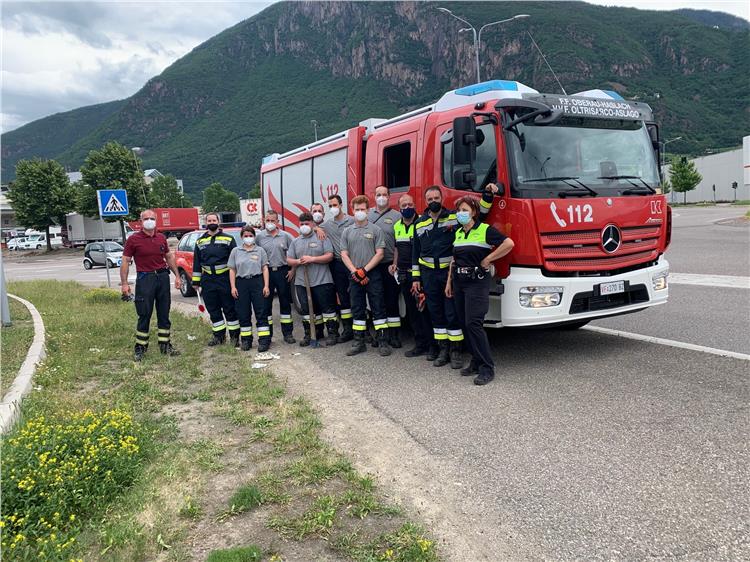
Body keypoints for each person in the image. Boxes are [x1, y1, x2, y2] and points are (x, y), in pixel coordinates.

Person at [412, 183, 498, 370]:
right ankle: (443, 349)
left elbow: (479, 214)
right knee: (435, 313)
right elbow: (415, 252)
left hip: (449, 273)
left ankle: (456, 351)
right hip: (428, 274)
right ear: (425, 201)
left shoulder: (454, 217)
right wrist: (416, 278)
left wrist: (488, 196)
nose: (433, 202)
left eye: (436, 198)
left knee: (452, 313)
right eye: (430, 199)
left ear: (441, 199)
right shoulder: (419, 223)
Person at [446, 196, 514, 385]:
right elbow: (454, 260)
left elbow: (508, 244)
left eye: (465, 210)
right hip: (459, 282)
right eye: (459, 210)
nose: (461, 214)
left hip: (477, 283)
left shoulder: (484, 230)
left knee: (474, 323)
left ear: (474, 212)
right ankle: (475, 361)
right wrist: (449, 283)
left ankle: (487, 367)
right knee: (464, 323)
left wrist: (488, 259)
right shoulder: (458, 233)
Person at [120, 209, 181, 360]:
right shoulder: (133, 240)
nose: (149, 221)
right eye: (146, 218)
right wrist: (124, 283)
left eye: (152, 218)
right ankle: (140, 348)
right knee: (144, 314)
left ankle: (165, 345)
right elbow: (125, 261)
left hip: (162, 278)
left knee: (164, 313)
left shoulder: (161, 238)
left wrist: (178, 276)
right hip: (145, 279)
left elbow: (168, 257)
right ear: (140, 222)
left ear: (156, 221)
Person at [340, 195, 390, 356]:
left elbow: (380, 253)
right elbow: (344, 254)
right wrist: (355, 271)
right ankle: (359, 341)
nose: (360, 212)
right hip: (354, 274)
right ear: (352, 211)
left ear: (368, 210)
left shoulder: (376, 230)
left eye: (362, 209)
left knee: (378, 306)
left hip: (372, 273)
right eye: (357, 209)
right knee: (357, 308)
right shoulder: (347, 232)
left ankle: (383, 341)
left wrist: (365, 271)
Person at [287, 212, 338, 346]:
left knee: (327, 309)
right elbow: (289, 260)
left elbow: (329, 256)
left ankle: (332, 333)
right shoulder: (295, 242)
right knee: (307, 311)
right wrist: (298, 261)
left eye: (307, 224)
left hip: (322, 280)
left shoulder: (321, 237)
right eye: (302, 224)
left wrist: (313, 259)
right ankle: (312, 333)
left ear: (313, 224)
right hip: (302, 282)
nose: (304, 226)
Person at [392, 193, 433, 358]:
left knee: (425, 311)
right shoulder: (397, 226)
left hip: (420, 276)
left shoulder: (423, 223)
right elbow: (396, 248)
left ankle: (432, 346)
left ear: (415, 205)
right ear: (399, 208)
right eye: (404, 206)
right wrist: (394, 263)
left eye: (410, 205)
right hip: (404, 275)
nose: (407, 208)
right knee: (412, 312)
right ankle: (420, 344)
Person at [191, 213, 239, 347]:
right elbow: (197, 262)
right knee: (213, 309)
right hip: (208, 280)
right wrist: (196, 282)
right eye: (209, 220)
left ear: (218, 222)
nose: (212, 222)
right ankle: (219, 337)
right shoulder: (200, 241)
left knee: (230, 309)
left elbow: (235, 261)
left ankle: (235, 337)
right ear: (206, 222)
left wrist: (235, 282)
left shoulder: (228, 239)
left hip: (225, 278)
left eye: (214, 220)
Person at [368, 185, 403, 348]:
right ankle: (381, 334)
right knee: (376, 300)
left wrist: (395, 263)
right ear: (374, 197)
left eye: (384, 194)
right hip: (373, 265)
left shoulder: (397, 216)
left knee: (391, 299)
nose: (381, 197)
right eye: (378, 194)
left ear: (389, 197)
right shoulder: (367, 215)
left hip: (390, 265)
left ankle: (395, 335)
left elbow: (397, 244)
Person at [256, 210, 296, 345]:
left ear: (278, 222)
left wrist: (293, 270)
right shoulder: (259, 237)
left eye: (273, 220)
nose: (270, 223)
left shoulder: (286, 236)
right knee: (266, 305)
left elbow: (294, 254)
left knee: (285, 303)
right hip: (266, 274)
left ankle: (288, 333)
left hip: (283, 272)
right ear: (264, 220)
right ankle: (268, 335)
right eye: (268, 220)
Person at [228, 225, 271, 352]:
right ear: (242, 237)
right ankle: (246, 341)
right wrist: (233, 287)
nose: (248, 238)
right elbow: (232, 269)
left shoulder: (260, 251)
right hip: (241, 283)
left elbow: (264, 268)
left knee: (261, 312)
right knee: (243, 313)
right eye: (245, 236)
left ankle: (264, 341)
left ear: (254, 236)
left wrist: (266, 285)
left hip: (257, 282)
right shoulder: (235, 251)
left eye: (250, 236)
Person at [319, 195, 354, 342]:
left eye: (335, 205)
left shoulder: (351, 221)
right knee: (343, 297)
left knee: (357, 295)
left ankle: (363, 331)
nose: (333, 208)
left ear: (341, 205)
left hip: (353, 263)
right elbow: (314, 226)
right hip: (338, 264)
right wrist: (316, 228)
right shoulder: (327, 224)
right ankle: (347, 329)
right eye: (330, 206)